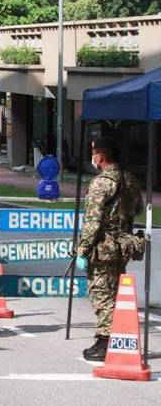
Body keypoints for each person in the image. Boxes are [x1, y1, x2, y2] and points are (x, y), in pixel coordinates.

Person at [74, 137, 143, 361]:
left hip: (103, 247)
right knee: (114, 292)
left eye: (94, 153)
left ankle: (105, 342)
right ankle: (111, 338)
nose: (93, 157)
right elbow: (139, 208)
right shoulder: (129, 179)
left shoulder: (101, 182)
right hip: (124, 245)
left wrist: (82, 249)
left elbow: (92, 221)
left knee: (102, 294)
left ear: (100, 157)